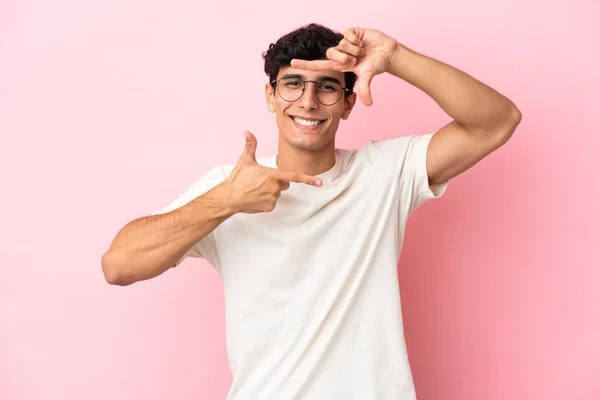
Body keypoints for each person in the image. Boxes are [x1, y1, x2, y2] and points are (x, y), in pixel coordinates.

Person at [101, 23, 521, 400]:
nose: (308, 101)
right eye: (293, 84)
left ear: (347, 103)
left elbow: (496, 121)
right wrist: (226, 201)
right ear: (270, 95)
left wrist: (395, 57)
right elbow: (119, 265)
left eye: (326, 87)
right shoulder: (230, 185)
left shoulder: (385, 173)